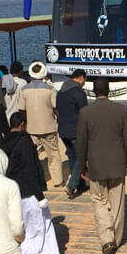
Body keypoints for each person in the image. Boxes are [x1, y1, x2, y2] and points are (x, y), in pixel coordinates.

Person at [76, 78, 127, 254]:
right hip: (118, 165)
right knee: (117, 204)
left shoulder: (85, 112)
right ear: (109, 90)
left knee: (99, 202)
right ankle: (116, 240)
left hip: (95, 166)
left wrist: (82, 167)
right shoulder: (121, 110)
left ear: (94, 91)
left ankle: (106, 239)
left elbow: (81, 144)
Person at [3, 112, 62, 254]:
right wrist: (40, 195)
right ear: (22, 124)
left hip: (13, 193)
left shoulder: (3, 143)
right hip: (29, 192)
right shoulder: (24, 143)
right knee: (39, 226)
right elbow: (30, 170)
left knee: (23, 228)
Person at [19, 61, 64, 187]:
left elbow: (22, 111)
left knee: (32, 155)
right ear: (43, 73)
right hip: (48, 127)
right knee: (53, 155)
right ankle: (58, 181)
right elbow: (56, 108)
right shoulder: (50, 89)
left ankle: (33, 179)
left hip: (31, 128)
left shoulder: (24, 90)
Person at [56, 68, 89, 198]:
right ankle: (72, 185)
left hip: (63, 130)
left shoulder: (61, 91)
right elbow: (84, 112)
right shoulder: (78, 92)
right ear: (80, 78)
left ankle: (80, 185)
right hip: (76, 130)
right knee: (81, 157)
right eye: (85, 79)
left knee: (72, 157)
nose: (84, 82)